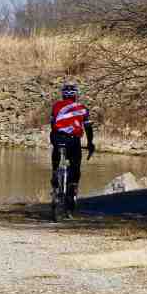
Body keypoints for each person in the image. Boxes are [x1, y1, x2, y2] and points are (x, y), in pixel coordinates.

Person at [50, 81, 95, 209]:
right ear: (75, 95)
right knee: (75, 166)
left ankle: (54, 171)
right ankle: (73, 186)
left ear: (63, 95)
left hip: (58, 137)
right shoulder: (82, 108)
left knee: (56, 149)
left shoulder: (56, 106)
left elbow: (53, 125)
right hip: (73, 140)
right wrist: (90, 143)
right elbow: (88, 128)